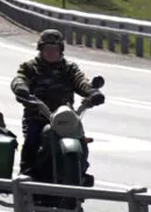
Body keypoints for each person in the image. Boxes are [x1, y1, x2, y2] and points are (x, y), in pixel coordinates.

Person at [10, 29, 105, 177]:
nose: (51, 52)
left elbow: (81, 81)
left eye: (55, 49)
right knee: (32, 140)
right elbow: (19, 79)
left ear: (61, 50)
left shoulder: (69, 68)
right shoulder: (30, 67)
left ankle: (81, 170)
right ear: (41, 49)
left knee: (81, 140)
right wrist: (21, 88)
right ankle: (26, 176)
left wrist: (93, 93)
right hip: (38, 116)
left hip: (66, 118)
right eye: (47, 49)